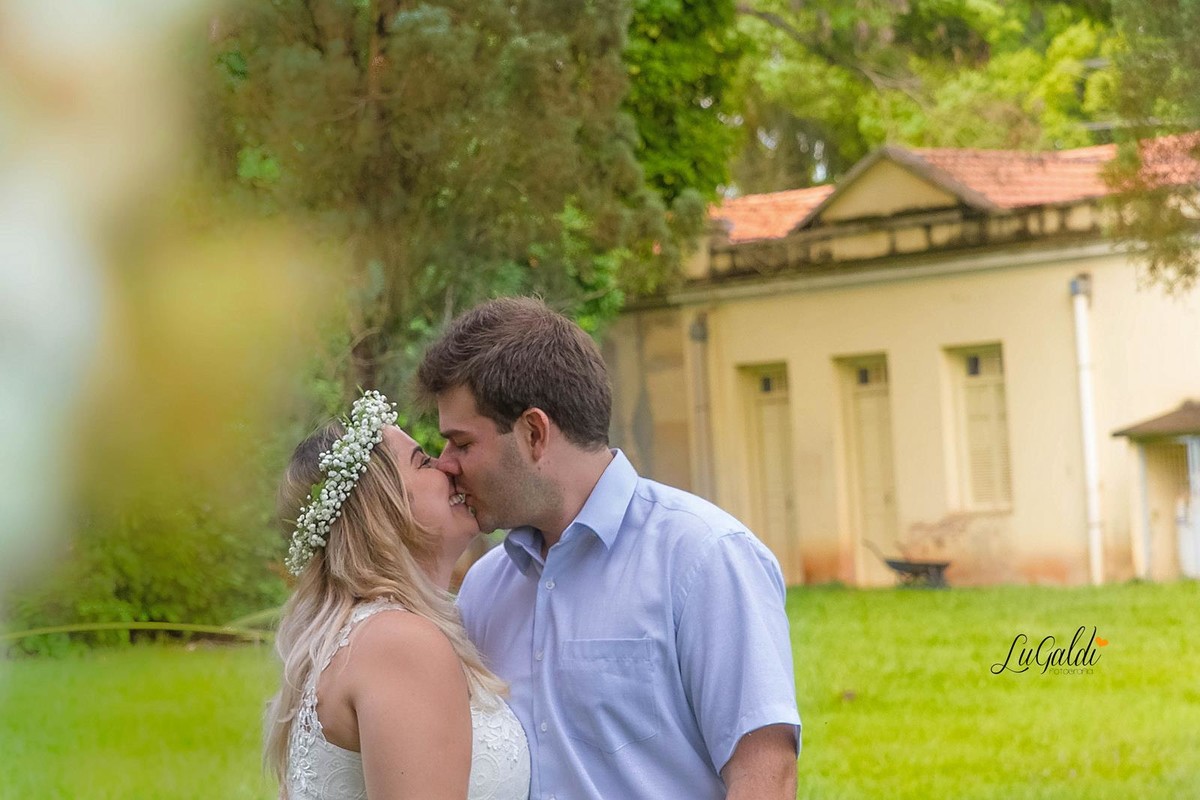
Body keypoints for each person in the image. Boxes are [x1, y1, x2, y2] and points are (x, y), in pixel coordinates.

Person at [417, 297, 801, 800]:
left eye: (462, 443)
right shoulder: (485, 588)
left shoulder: (706, 558)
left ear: (534, 433)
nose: (446, 464)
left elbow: (765, 774)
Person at [264, 390, 531, 800]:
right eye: (423, 461)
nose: (446, 465)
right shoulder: (401, 643)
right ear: (384, 509)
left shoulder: (363, 637)